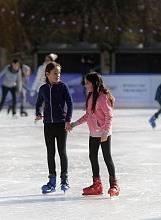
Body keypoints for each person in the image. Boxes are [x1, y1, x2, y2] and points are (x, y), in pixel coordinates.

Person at [70, 72, 119, 197]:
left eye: (87, 83)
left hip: (103, 132)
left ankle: (114, 185)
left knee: (107, 157)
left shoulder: (102, 97)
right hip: (94, 132)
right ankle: (97, 185)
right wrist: (74, 124)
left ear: (94, 83)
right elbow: (88, 115)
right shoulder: (91, 96)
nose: (85, 85)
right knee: (92, 157)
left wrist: (106, 132)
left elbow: (109, 115)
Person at [35, 62, 73, 194]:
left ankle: (64, 180)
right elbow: (38, 103)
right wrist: (39, 113)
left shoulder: (63, 87)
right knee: (50, 153)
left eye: (59, 73)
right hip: (48, 125)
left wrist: (68, 120)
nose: (58, 76)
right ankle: (52, 181)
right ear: (47, 74)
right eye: (55, 73)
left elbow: (70, 104)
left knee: (62, 152)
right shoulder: (43, 88)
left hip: (61, 124)